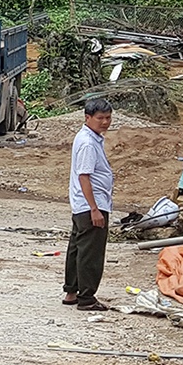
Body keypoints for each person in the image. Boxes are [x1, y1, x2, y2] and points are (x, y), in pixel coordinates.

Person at [64, 98, 114, 311]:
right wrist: (94, 208)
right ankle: (86, 298)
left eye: (108, 118)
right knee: (91, 253)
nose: (105, 122)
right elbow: (84, 176)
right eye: (100, 118)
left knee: (77, 247)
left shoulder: (91, 138)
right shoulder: (87, 143)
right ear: (88, 118)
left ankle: (71, 292)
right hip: (91, 204)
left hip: (83, 204)